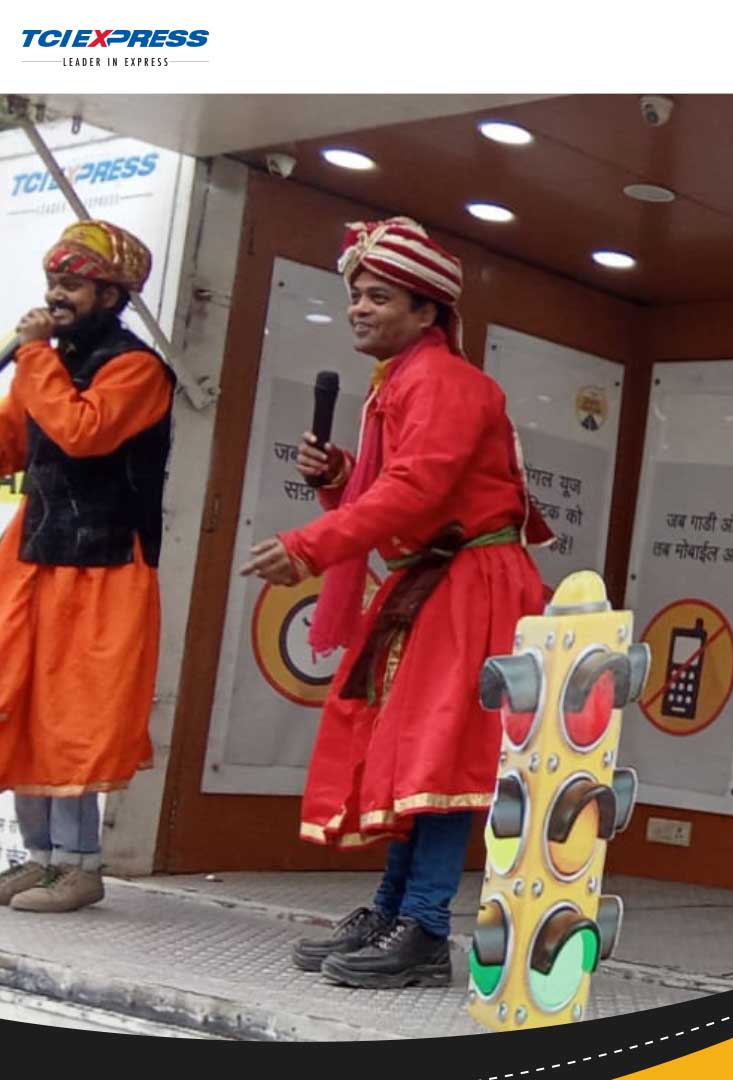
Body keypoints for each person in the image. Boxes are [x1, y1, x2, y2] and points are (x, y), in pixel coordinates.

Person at [241, 216, 550, 988]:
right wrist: (342, 475)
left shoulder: (444, 381)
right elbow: (405, 490)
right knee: (414, 751)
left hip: (470, 582)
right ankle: (393, 911)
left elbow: (417, 491)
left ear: (426, 311)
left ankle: (425, 926)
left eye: (378, 296)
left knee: (442, 753)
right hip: (436, 580)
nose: (358, 308)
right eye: (357, 295)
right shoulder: (406, 380)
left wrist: (310, 544)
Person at [0, 220, 174, 913]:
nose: (56, 295)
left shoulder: (138, 368)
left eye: (71, 284)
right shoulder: (47, 362)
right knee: (19, 705)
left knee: (74, 715)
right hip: (34, 559)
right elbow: (12, 444)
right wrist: (30, 364)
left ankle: (80, 866)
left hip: (103, 565)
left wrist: (32, 357)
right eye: (53, 282)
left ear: (110, 294)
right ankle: (40, 857)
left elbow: (81, 432)